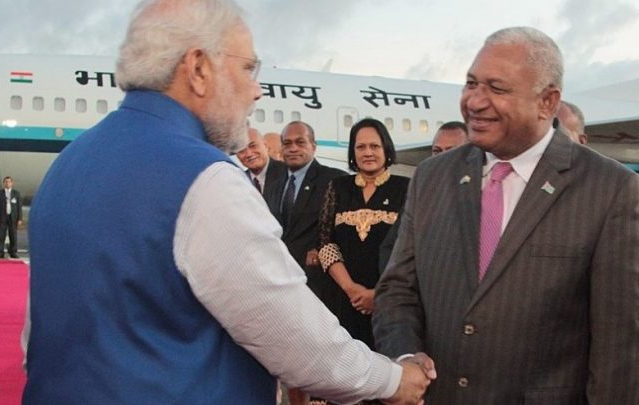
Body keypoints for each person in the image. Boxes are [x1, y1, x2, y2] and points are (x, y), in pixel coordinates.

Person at [22, 1, 431, 403]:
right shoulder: (205, 180)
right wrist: (395, 380)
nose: (257, 91)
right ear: (199, 69)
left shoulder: (68, 165)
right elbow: (301, 344)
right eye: (248, 68)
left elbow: (33, 337)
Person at [373, 27, 639, 403]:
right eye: (471, 83)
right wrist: (406, 355)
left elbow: (621, 344)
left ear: (547, 102)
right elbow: (397, 289)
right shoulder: (432, 176)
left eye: (497, 88)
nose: (474, 101)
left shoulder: (610, 190)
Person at [264, 121, 346, 405]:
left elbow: (341, 230)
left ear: (313, 145)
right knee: (292, 361)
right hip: (283, 286)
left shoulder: (334, 180)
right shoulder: (274, 185)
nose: (293, 148)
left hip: (318, 287)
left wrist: (320, 248)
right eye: (287, 143)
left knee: (320, 359)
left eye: (300, 142)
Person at [319, 118, 410, 349]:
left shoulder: (407, 188)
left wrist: (377, 294)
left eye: (374, 146)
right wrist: (352, 290)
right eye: (360, 147)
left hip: (390, 302)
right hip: (342, 300)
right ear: (352, 151)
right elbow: (326, 243)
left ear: (386, 149)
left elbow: (411, 249)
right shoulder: (338, 187)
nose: (368, 152)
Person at [378, 121, 469, 273]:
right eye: (437, 151)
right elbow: (391, 249)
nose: (442, 158)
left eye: (451, 151)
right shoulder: (419, 198)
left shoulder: (484, 195)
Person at [236, 127, 287, 203]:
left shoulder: (287, 173)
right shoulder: (239, 180)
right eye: (241, 150)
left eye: (253, 146)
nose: (249, 154)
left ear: (265, 146)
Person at [0, 176, 23, 259]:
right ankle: (0, 252)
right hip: (2, 217)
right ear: (4, 183)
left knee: (13, 235)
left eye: (9, 182)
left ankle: (13, 252)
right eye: (6, 182)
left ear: (12, 183)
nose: (7, 183)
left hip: (13, 218)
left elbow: (19, 207)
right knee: (1, 236)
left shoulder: (16, 194)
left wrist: (20, 218)